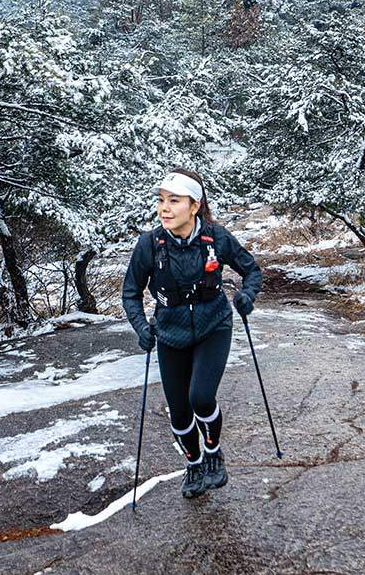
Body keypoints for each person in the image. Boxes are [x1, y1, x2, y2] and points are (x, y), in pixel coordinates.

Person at [122, 168, 262, 499]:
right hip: (170, 332)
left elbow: (252, 270)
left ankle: (213, 452)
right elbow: (130, 293)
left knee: (200, 396)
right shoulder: (150, 244)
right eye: (161, 201)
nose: (164, 208)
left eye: (174, 201)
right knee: (180, 411)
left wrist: (246, 296)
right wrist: (142, 328)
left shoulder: (217, 238)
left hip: (214, 325)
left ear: (194, 205)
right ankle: (195, 462)